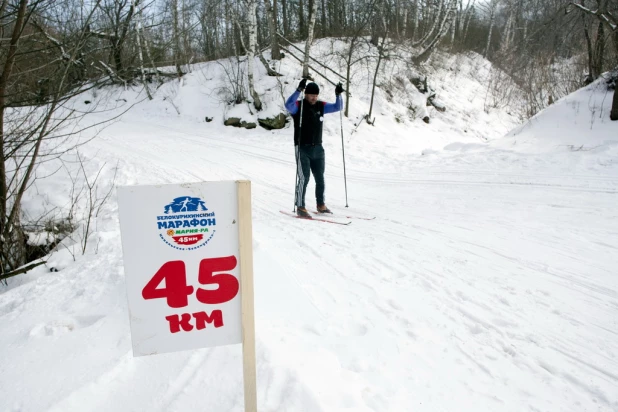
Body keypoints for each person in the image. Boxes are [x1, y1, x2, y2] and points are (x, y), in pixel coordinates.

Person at [285, 79, 344, 218]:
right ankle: (300, 206)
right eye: (311, 95)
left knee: (320, 178)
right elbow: (288, 105)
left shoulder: (321, 105)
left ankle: (321, 205)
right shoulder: (298, 106)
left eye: (316, 95)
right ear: (306, 94)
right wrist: (298, 90)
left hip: (318, 148)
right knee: (304, 178)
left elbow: (338, 107)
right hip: (302, 148)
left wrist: (338, 95)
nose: (314, 97)